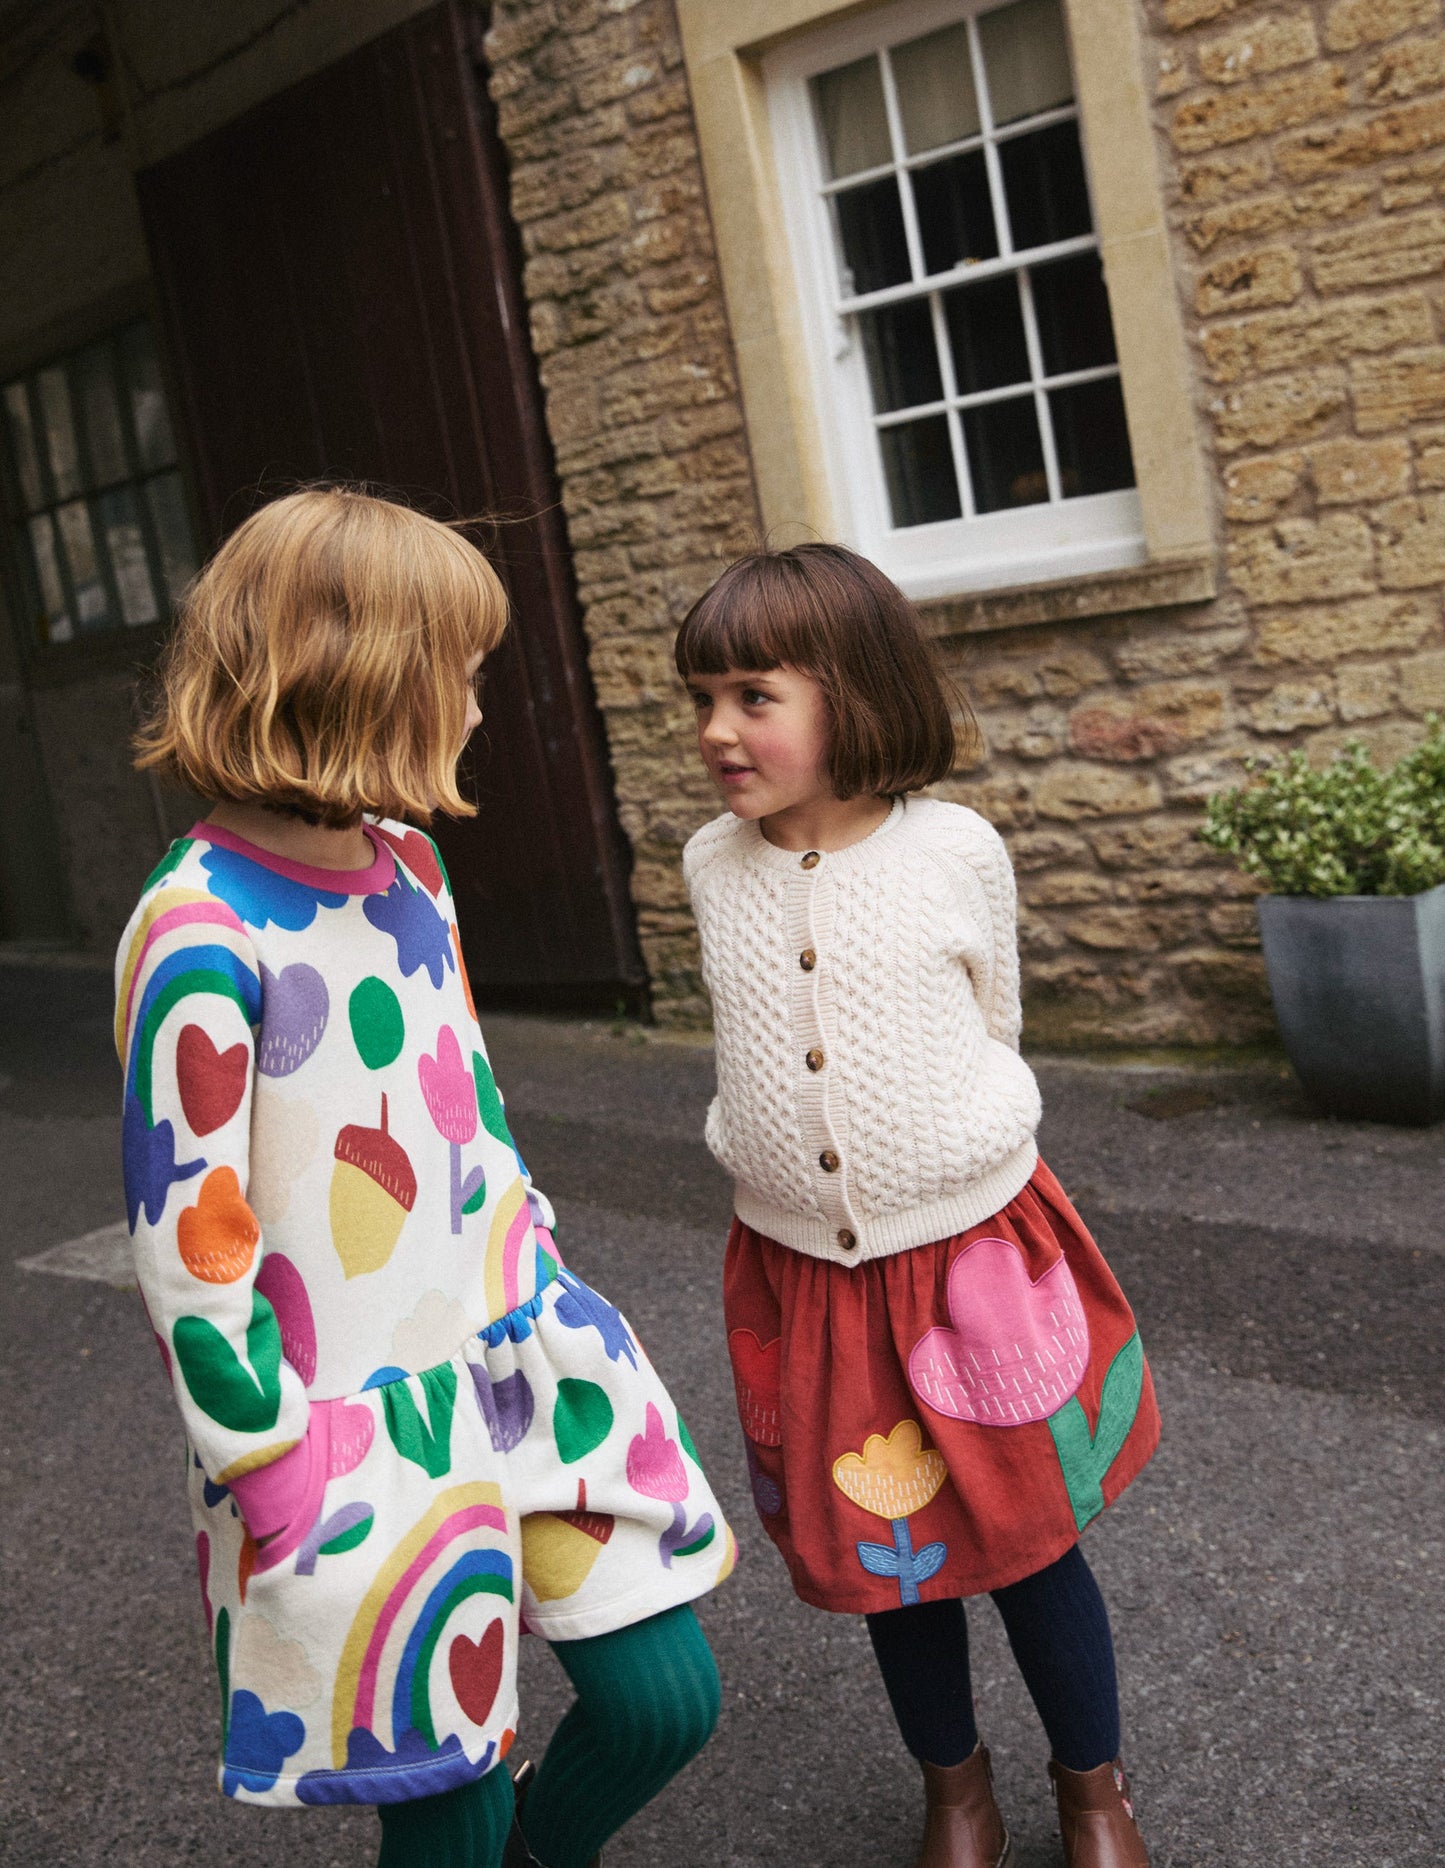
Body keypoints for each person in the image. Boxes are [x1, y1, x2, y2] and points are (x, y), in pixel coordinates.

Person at [117, 488, 733, 1868]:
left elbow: (467, 1112)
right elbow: (188, 1241)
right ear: (364, 676)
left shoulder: (413, 865)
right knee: (446, 1805)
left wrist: (539, 1267)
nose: (472, 705)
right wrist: (271, 1470)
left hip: (519, 1364)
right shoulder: (198, 929)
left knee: (660, 1702)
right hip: (344, 1438)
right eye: (457, 671)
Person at [677, 543, 1159, 1868]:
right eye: (700, 700)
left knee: (1027, 1541)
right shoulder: (709, 867)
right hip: (807, 1276)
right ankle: (954, 1787)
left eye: (752, 697)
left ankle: (1091, 1787)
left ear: (854, 694)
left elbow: (991, 1026)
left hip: (967, 1264)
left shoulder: (957, 848)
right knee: (889, 1549)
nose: (718, 731)